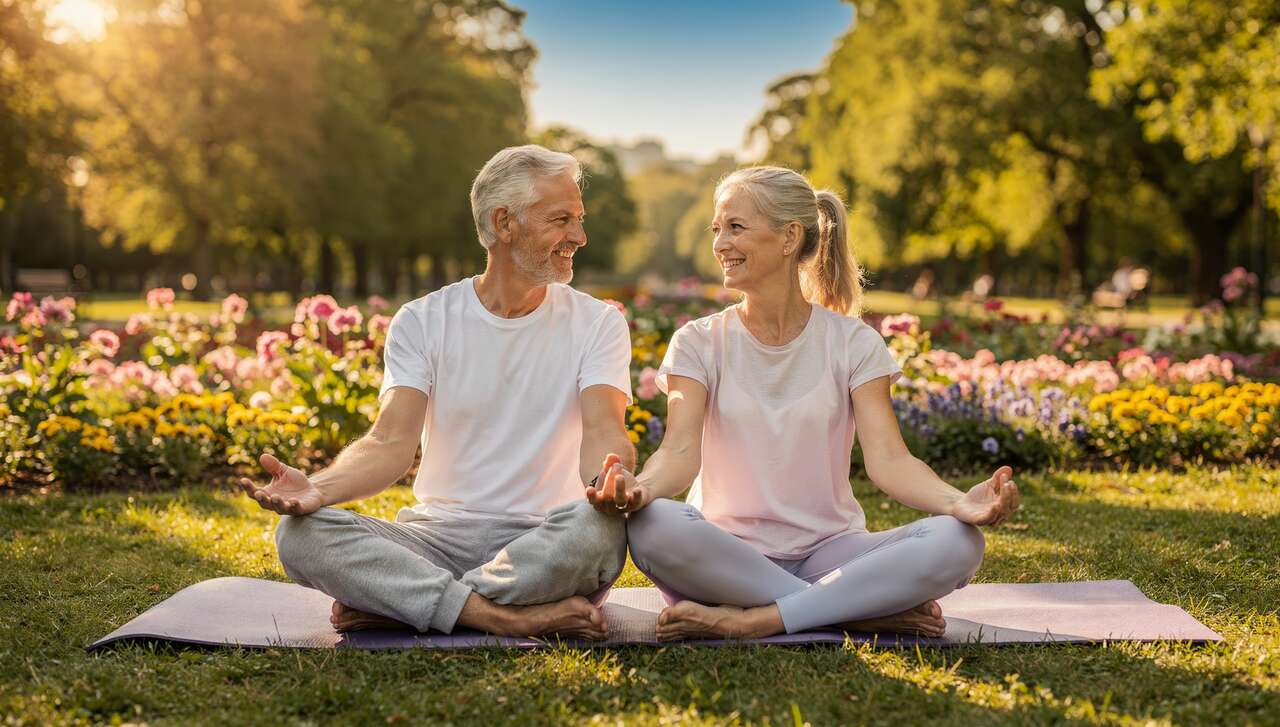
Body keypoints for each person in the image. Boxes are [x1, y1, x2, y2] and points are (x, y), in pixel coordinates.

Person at [598, 166, 1020, 641]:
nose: (719, 244)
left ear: (788, 237)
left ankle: (755, 619)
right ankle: (854, 609)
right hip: (725, 554)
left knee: (958, 541)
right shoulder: (698, 342)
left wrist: (958, 502)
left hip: (830, 550)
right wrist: (642, 489)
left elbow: (890, 461)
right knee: (653, 523)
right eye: (717, 229)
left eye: (735, 227)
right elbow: (678, 453)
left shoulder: (853, 343)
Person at [240, 145, 635, 640]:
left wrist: (609, 476)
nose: (579, 236)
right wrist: (319, 489)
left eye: (578, 219)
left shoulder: (598, 323)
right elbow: (389, 444)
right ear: (504, 223)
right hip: (436, 540)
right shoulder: (424, 320)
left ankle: (409, 601)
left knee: (599, 530)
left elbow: (604, 430)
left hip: (545, 542)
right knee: (300, 535)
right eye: (561, 220)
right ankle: (499, 616)